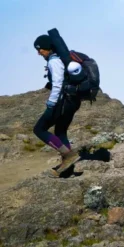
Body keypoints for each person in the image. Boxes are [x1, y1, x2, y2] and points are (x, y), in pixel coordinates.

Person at [33, 34, 82, 176]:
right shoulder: (60, 59)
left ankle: (68, 156)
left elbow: (58, 84)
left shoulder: (54, 61)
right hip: (72, 101)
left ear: (47, 48)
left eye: (40, 49)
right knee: (60, 132)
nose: (39, 52)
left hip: (62, 102)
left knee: (39, 129)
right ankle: (68, 167)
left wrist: (51, 103)